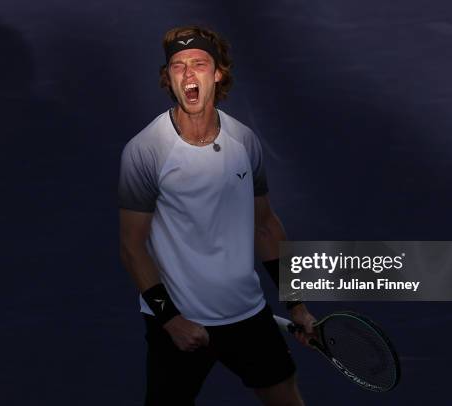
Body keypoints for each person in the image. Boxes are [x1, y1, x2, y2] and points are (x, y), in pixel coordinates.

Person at [118, 25, 317, 406]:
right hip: (177, 320)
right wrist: (172, 321)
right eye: (178, 66)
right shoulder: (144, 151)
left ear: (218, 73)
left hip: (247, 313)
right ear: (168, 77)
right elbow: (132, 246)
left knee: (285, 398)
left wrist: (298, 304)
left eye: (199, 64)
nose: (189, 74)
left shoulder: (244, 142)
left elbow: (265, 225)